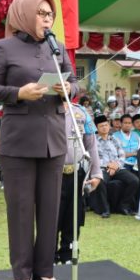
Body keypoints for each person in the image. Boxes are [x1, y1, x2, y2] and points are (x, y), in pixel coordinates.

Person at [0, 0, 78, 280]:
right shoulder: (4, 48)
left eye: (50, 14)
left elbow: (72, 81)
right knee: (22, 213)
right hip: (19, 143)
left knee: (50, 212)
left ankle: (45, 273)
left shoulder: (57, 47)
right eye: (41, 13)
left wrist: (68, 90)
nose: (47, 19)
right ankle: (23, 275)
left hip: (54, 142)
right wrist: (18, 94)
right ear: (23, 15)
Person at [55, 102, 102, 265]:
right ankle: (50, 256)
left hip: (76, 174)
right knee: (51, 218)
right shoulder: (43, 109)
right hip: (52, 174)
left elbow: (91, 145)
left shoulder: (81, 113)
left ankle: (68, 255)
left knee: (74, 217)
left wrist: (96, 173)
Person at [91, 115, 139, 217]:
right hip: (102, 168)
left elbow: (122, 154)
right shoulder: (93, 141)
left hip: (117, 167)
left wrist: (116, 165)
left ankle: (124, 206)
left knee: (134, 180)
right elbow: (93, 157)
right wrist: (108, 165)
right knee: (101, 181)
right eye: (101, 126)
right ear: (97, 128)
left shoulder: (114, 139)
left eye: (106, 125)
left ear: (109, 126)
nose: (104, 127)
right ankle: (105, 209)